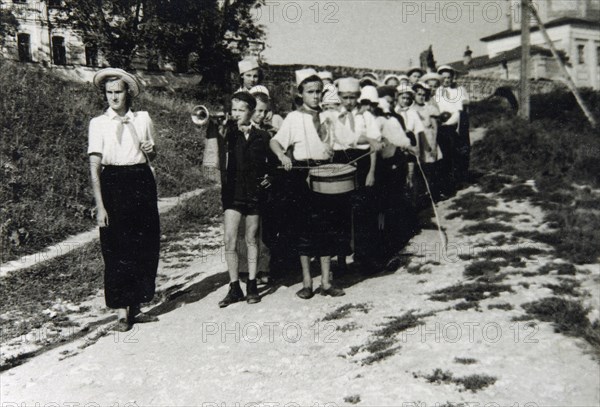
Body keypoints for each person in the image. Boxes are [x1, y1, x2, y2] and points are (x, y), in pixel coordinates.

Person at [88, 68, 160, 332]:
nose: (113, 98)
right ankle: (121, 311)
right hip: (113, 183)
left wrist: (153, 151)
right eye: (109, 93)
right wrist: (100, 205)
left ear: (128, 92)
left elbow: (152, 155)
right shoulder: (98, 123)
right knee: (117, 247)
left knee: (144, 244)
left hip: (140, 180)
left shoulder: (143, 119)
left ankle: (138, 307)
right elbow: (94, 165)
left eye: (118, 92)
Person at [270, 68, 346, 299]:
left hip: (326, 174)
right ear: (301, 94)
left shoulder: (327, 117)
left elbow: (343, 141)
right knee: (304, 230)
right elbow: (275, 142)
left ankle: (325, 282)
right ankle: (306, 282)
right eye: (310, 92)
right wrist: (283, 156)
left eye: (318, 92)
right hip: (301, 177)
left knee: (327, 228)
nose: (315, 96)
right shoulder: (294, 118)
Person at [218, 92, 272, 307]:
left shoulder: (263, 136)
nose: (236, 114)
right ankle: (233, 287)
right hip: (232, 192)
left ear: (251, 111)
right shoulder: (229, 133)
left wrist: (270, 177)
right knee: (229, 240)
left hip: (254, 192)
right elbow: (218, 139)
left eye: (241, 110)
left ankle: (251, 283)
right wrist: (225, 125)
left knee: (251, 238)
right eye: (234, 109)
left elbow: (271, 164)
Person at [435, 65, 471, 191]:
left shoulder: (459, 90)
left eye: (449, 77)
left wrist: (449, 123)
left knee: (457, 151)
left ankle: (460, 178)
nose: (446, 80)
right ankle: (446, 180)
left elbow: (460, 110)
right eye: (443, 78)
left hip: (455, 124)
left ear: (452, 77)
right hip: (440, 124)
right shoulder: (437, 90)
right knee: (444, 153)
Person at [411, 82, 442, 202]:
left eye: (424, 95)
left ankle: (433, 195)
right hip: (417, 139)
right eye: (419, 94)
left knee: (431, 168)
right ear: (414, 95)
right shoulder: (411, 109)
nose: (421, 97)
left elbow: (435, 127)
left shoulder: (429, 108)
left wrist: (433, 144)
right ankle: (420, 195)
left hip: (428, 138)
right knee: (418, 169)